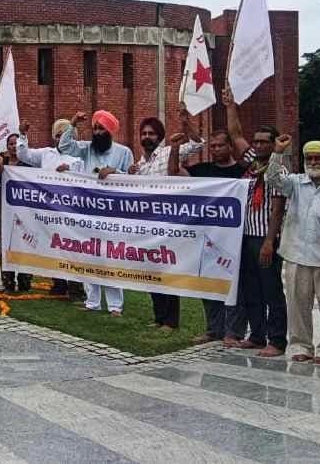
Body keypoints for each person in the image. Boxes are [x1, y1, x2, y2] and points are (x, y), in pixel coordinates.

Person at [266, 137, 320, 364]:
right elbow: (272, 179)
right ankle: (301, 346)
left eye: (318, 158)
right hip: (297, 254)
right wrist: (278, 152)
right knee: (297, 305)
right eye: (309, 158)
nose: (313, 162)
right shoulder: (294, 182)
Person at [222, 89, 288, 357]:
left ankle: (277, 340)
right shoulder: (252, 165)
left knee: (272, 290)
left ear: (274, 144)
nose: (258, 146)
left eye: (264, 142)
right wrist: (230, 106)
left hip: (266, 237)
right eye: (256, 141)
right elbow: (236, 135)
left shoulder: (278, 171)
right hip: (246, 236)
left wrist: (269, 242)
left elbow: (277, 209)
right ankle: (257, 335)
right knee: (252, 289)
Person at [170, 129, 249, 345]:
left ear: (230, 146)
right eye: (212, 146)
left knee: (235, 287)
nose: (215, 149)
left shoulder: (242, 171)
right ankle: (214, 330)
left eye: (220, 145)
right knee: (209, 284)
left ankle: (233, 332)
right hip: (208, 239)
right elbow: (174, 173)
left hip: (235, 237)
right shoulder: (203, 170)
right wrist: (175, 147)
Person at [130, 112, 202, 331]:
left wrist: (186, 124)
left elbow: (198, 144)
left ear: (159, 137)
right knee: (152, 271)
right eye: (144, 134)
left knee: (168, 270)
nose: (147, 137)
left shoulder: (169, 152)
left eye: (151, 134)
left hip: (168, 222)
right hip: (148, 224)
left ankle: (171, 321)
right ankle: (159, 317)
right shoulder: (140, 164)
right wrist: (127, 174)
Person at [58, 110, 134, 316]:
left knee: (111, 258)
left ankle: (115, 306)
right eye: (95, 128)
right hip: (88, 212)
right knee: (89, 256)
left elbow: (133, 180)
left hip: (112, 214)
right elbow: (64, 147)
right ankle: (92, 302)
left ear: (110, 131)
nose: (98, 132)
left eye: (102, 128)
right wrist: (72, 124)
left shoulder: (124, 152)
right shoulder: (87, 149)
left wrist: (115, 172)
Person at [17, 119, 83, 297]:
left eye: (65, 135)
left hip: (70, 210)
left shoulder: (78, 157)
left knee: (72, 248)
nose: (61, 138)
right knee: (53, 246)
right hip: (49, 210)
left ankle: (76, 287)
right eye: (58, 134)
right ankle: (59, 284)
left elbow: (85, 177)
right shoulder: (46, 154)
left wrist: (70, 168)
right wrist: (22, 135)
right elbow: (23, 155)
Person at [0, 132, 34, 293]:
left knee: (24, 243)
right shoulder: (2, 163)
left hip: (24, 211)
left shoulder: (29, 165)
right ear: (7, 146)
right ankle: (8, 282)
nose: (13, 147)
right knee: (5, 243)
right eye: (10, 144)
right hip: (4, 210)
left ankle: (24, 280)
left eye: (16, 143)